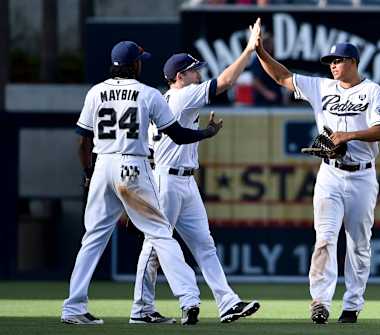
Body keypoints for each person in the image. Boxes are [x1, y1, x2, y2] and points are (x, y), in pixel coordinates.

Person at [61, 40, 223, 325]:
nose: (141, 63)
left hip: (102, 164)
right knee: (161, 234)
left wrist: (88, 174)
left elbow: (82, 140)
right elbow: (179, 135)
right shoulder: (148, 94)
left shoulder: (96, 92)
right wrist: (207, 133)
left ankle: (73, 307)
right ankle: (188, 299)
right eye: (139, 60)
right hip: (132, 166)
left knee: (93, 238)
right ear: (134, 64)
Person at [255, 22, 380, 324]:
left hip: (362, 175)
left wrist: (348, 136)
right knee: (325, 238)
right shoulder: (322, 87)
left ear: (353, 62)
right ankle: (320, 301)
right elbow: (283, 76)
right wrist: (261, 52)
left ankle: (352, 305)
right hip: (330, 173)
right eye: (330, 62)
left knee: (359, 243)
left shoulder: (372, 91)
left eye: (338, 60)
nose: (332, 65)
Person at [129, 20, 262, 325]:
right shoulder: (181, 96)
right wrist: (248, 49)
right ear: (180, 76)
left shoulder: (165, 100)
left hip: (183, 180)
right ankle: (141, 309)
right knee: (153, 247)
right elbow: (226, 82)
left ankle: (227, 303)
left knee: (204, 244)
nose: (198, 73)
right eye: (193, 70)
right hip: (167, 180)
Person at [250, 33, 284, 106]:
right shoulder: (257, 60)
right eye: (267, 43)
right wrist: (267, 93)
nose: (270, 46)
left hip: (276, 99)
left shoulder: (273, 58)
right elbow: (255, 81)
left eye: (271, 43)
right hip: (262, 101)